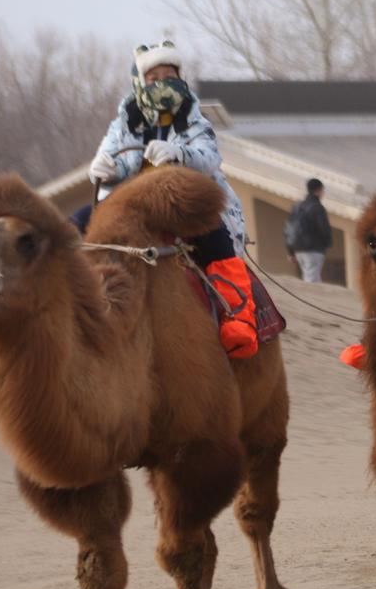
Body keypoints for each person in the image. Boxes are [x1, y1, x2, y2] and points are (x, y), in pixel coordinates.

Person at [87, 40, 259, 358]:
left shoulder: (192, 117)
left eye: (170, 75)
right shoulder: (125, 121)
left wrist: (179, 154)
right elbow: (112, 158)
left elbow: (209, 158)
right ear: (140, 81)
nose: (164, 83)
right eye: (155, 77)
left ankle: (238, 317)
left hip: (183, 199)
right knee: (78, 225)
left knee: (216, 237)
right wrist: (106, 170)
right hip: (134, 203)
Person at [284, 178, 332, 284]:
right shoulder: (317, 208)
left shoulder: (297, 207)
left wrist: (290, 251)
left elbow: (289, 229)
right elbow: (323, 228)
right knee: (312, 282)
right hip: (313, 249)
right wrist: (327, 243)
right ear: (318, 190)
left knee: (308, 277)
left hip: (298, 249)